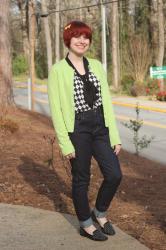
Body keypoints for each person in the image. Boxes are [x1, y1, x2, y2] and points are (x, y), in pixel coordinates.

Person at [48, 20, 123, 241]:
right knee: (82, 178)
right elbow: (56, 110)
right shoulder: (58, 71)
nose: (82, 41)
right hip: (77, 129)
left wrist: (115, 135)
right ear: (68, 40)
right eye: (77, 36)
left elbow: (106, 102)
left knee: (114, 174)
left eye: (86, 37)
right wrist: (65, 143)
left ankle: (99, 212)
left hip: (100, 126)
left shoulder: (97, 66)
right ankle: (85, 223)